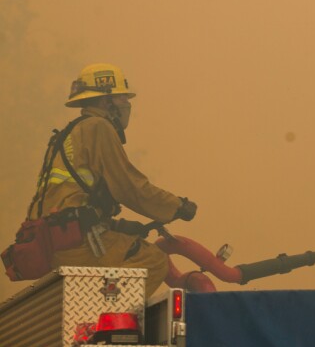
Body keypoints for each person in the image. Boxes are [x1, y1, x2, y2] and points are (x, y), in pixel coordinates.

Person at [26, 63, 196, 295]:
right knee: (153, 260)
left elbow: (68, 201)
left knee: (127, 260)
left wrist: (116, 226)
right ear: (107, 102)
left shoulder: (67, 135)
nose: (127, 104)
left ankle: (99, 308)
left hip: (57, 241)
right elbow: (130, 187)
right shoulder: (98, 127)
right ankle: (107, 318)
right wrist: (177, 206)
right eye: (122, 99)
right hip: (79, 243)